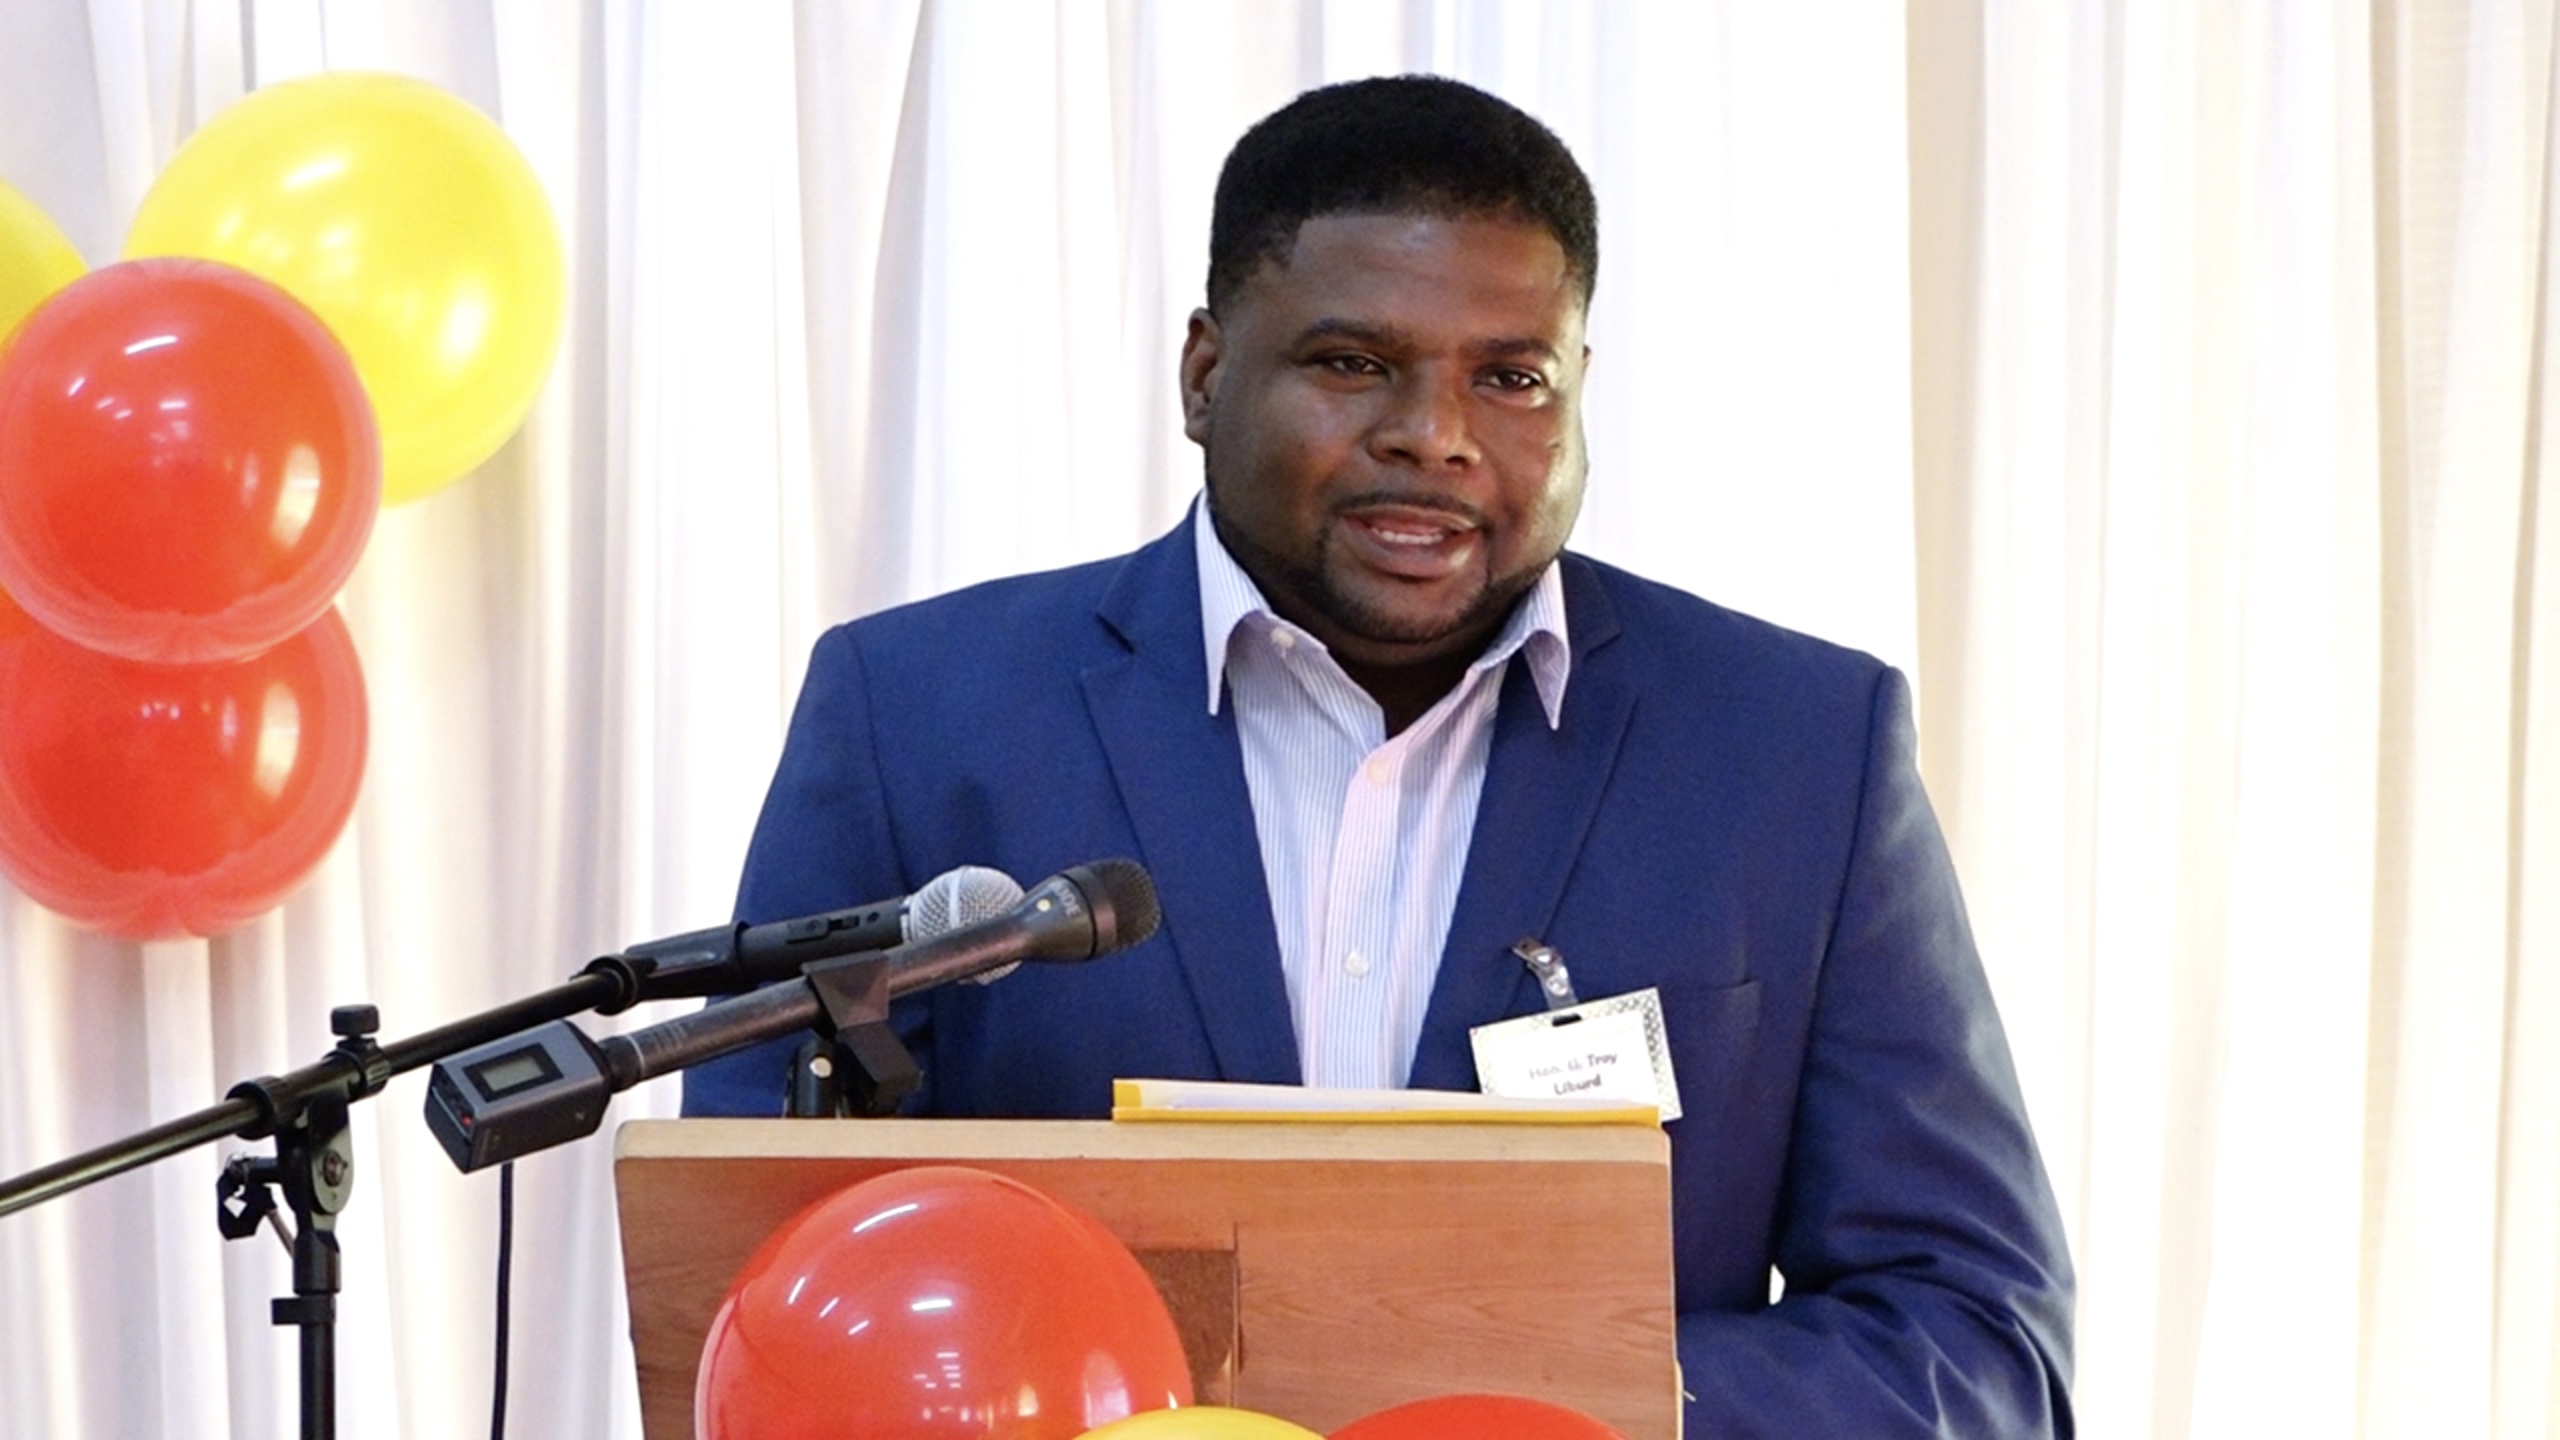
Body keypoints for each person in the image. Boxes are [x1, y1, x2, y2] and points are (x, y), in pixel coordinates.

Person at [684, 74, 2074, 1436]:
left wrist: (1541, 1418)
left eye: (1511, 378)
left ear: (1578, 390)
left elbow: (1973, 1334)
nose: (1436, 434)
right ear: (1205, 372)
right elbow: (764, 1293)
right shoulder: (917, 713)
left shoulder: (1798, 752)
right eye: (1353, 363)